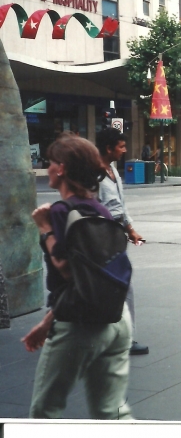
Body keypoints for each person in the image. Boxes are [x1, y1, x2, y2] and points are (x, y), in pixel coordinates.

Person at [23, 132, 133, 419]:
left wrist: (44, 227)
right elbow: (87, 277)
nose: (47, 168)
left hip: (82, 325)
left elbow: (66, 268)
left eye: (50, 162)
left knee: (45, 411)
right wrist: (48, 322)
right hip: (118, 317)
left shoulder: (60, 211)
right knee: (111, 411)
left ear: (62, 168)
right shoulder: (99, 209)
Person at [96, 128, 148, 356]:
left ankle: (123, 336)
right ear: (108, 148)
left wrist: (130, 229)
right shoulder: (93, 174)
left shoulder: (113, 171)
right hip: (101, 239)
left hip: (115, 237)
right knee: (116, 287)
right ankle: (114, 338)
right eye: (121, 146)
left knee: (122, 287)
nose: (125, 150)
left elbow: (120, 205)